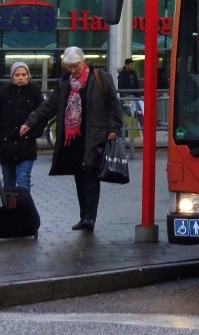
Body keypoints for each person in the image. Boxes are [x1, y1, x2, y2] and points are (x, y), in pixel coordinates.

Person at [19, 47, 122, 233]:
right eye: (69, 67)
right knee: (79, 177)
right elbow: (48, 107)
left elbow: (114, 104)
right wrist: (30, 123)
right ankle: (84, 216)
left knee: (90, 175)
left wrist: (114, 128)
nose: (73, 70)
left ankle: (90, 217)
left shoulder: (99, 78)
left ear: (83, 62)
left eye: (75, 66)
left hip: (94, 135)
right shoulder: (64, 83)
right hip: (73, 138)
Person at [0, 62, 44, 191]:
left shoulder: (34, 92)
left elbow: (42, 115)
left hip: (26, 145)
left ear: (28, 76)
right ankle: (10, 210)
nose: (21, 77)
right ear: (12, 76)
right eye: (17, 74)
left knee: (23, 180)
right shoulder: (3, 92)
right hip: (5, 146)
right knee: (8, 184)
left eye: (24, 74)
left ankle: (25, 210)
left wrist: (33, 134)